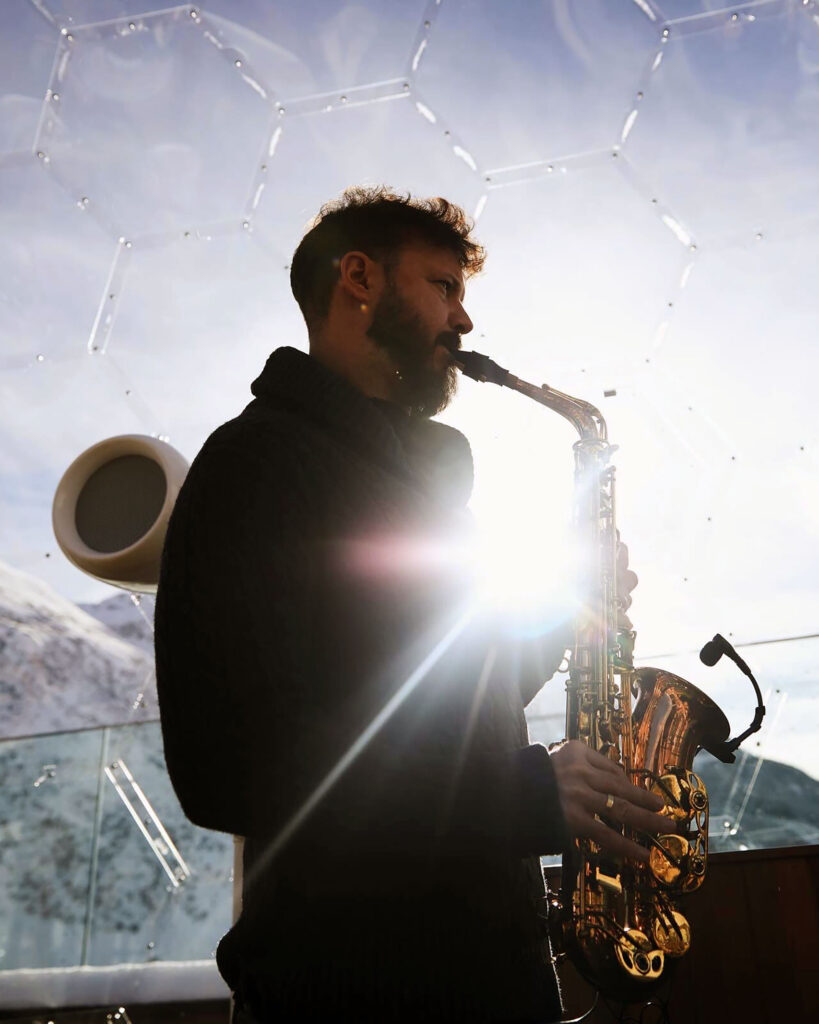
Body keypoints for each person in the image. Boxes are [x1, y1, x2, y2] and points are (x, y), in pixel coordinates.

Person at [154, 187, 668, 1023]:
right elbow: (229, 764)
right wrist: (523, 795)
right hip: (349, 991)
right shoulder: (256, 463)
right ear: (359, 278)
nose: (464, 322)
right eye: (443, 287)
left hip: (487, 978)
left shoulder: (420, 491)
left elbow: (456, 698)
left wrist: (573, 613)